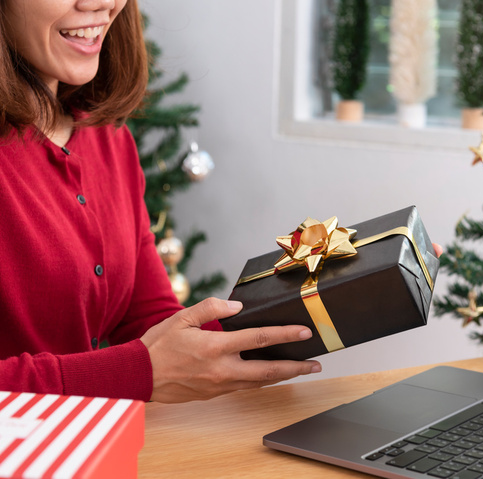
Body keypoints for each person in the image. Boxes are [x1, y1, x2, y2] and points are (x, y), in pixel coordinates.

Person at [0, 0, 443, 404]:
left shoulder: (107, 138)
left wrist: (343, 292)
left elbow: (150, 317)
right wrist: (136, 372)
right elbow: (142, 365)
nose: (100, 4)